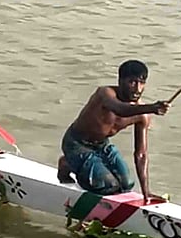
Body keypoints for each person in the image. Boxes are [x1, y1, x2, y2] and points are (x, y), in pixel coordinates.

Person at [57, 60, 169, 199]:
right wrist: (152, 108)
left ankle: (76, 164)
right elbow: (121, 109)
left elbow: (141, 154)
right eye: (132, 82)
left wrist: (146, 192)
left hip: (102, 145)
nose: (137, 89)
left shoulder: (142, 115)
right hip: (77, 143)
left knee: (126, 184)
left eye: (142, 83)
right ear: (120, 81)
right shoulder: (104, 94)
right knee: (108, 185)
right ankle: (67, 163)